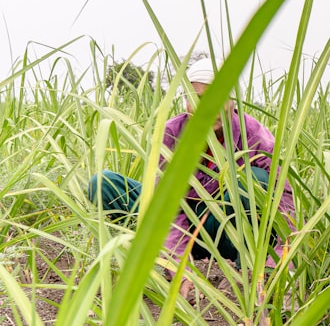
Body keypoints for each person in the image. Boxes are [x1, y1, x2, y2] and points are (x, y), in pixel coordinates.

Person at [87, 57, 296, 298]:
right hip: (179, 222)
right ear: (186, 99)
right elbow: (167, 207)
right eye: (197, 98)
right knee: (104, 184)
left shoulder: (253, 134)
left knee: (253, 180)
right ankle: (147, 254)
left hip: (226, 228)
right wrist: (179, 267)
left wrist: (281, 260)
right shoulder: (172, 133)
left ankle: (247, 270)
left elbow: (284, 199)